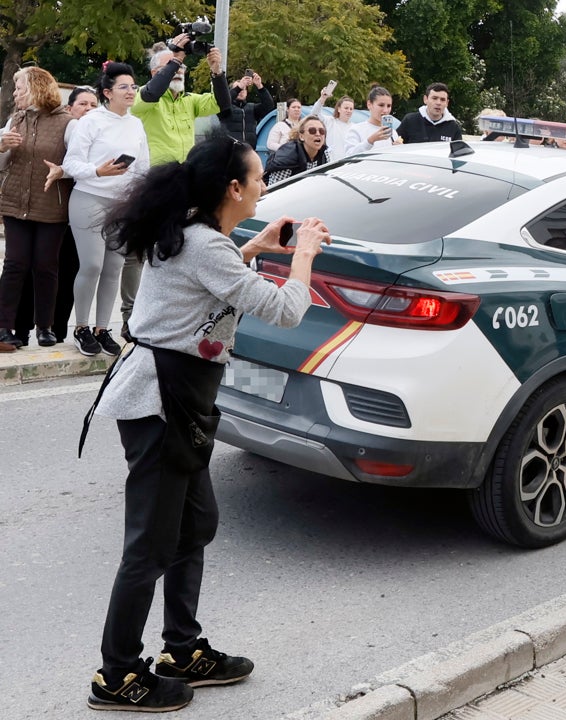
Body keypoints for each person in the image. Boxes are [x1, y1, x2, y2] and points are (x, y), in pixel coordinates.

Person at [83, 133, 331, 712]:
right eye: (259, 177)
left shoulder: (196, 235)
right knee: (149, 546)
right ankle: (116, 676)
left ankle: (183, 649)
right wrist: (302, 257)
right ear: (234, 187)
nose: (265, 186)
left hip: (178, 399)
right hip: (159, 402)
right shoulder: (203, 244)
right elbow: (286, 309)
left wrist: (258, 248)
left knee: (194, 527)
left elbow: (208, 288)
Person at [124, 38, 231, 341]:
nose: (179, 71)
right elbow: (152, 92)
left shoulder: (189, 101)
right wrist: (174, 58)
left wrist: (217, 72)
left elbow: (223, 105)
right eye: (172, 68)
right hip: (154, 186)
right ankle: (129, 317)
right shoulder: (144, 100)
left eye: (181, 68)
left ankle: (165, 314)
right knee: (142, 254)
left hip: (185, 188)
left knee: (174, 250)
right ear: (157, 72)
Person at [43, 61, 150, 358]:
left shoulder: (136, 123)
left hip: (123, 205)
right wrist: (98, 172)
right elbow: (72, 164)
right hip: (89, 197)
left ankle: (103, 329)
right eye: (124, 87)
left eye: (133, 86)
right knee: (91, 265)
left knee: (114, 267)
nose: (131, 92)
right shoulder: (91, 121)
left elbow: (144, 168)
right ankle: (81, 328)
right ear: (108, 92)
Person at [14, 85, 99, 346]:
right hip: (51, 209)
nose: (88, 109)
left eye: (93, 105)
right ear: (69, 107)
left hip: (81, 213)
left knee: (70, 269)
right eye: (82, 104)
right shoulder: (60, 130)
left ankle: (57, 330)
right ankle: (20, 328)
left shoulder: (98, 137)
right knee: (34, 268)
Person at [0, 67, 74, 349]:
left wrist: (62, 170)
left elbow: (75, 163)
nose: (16, 92)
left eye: (20, 87)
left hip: (50, 205)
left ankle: (45, 327)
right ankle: (3, 326)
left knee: (45, 266)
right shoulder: (14, 119)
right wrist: (1, 146)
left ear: (37, 88)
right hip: (15, 203)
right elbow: (2, 165)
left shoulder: (67, 123)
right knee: (15, 263)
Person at [263, 114, 330, 184]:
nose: (318, 134)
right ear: (301, 136)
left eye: (322, 131)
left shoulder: (324, 153)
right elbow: (276, 188)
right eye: (312, 130)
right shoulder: (287, 156)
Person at [218, 70, 274, 148]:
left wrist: (260, 86)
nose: (241, 91)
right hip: (230, 149)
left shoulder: (252, 108)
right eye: (239, 89)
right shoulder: (226, 108)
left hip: (248, 150)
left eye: (243, 89)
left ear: (247, 92)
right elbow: (223, 102)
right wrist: (239, 87)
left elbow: (269, 106)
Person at [344, 86, 401, 157]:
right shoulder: (356, 130)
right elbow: (349, 157)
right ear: (369, 104)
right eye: (381, 105)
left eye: (389, 106)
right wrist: (370, 141)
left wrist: (399, 150)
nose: (385, 110)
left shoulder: (393, 133)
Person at [397, 82, 463, 144]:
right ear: (425, 99)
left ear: (447, 103)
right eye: (434, 98)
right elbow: (395, 144)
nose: (438, 103)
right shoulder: (410, 120)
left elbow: (458, 153)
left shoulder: (453, 127)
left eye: (442, 100)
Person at [309, 86, 355, 161]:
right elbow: (314, 114)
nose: (348, 111)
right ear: (339, 109)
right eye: (346, 108)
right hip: (331, 163)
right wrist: (323, 98)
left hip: (348, 164)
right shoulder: (330, 121)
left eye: (351, 109)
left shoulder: (354, 127)